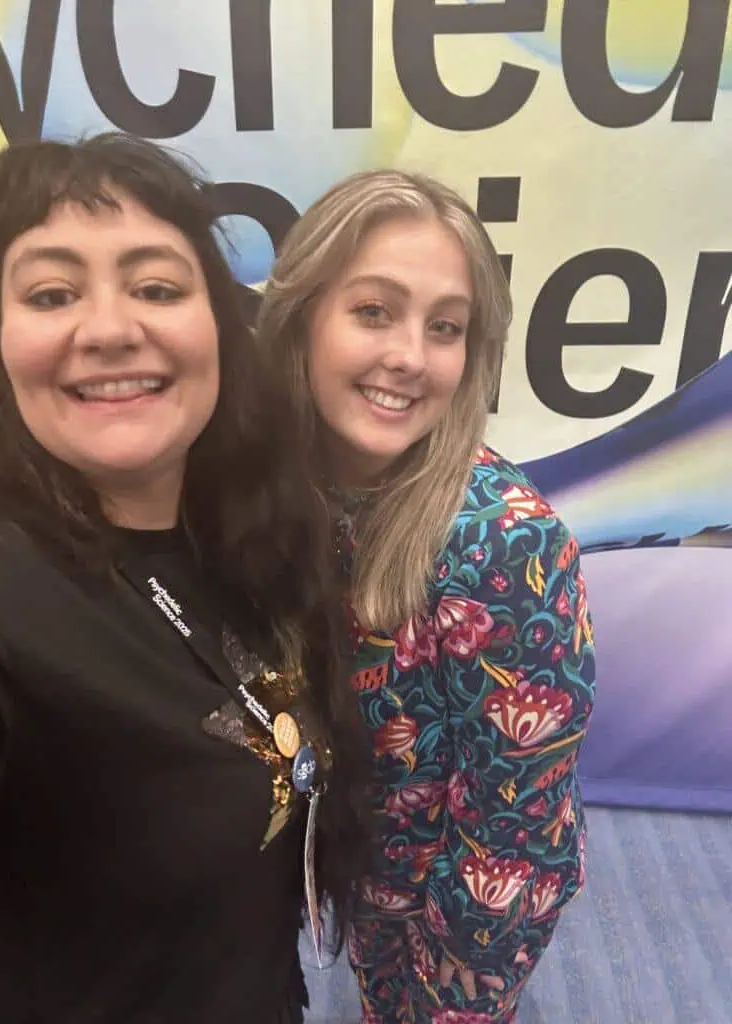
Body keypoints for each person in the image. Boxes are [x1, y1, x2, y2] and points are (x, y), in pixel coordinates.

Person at [0, 134, 370, 1023]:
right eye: (51, 294)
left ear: (219, 328)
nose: (110, 330)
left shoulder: (246, 530)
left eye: (155, 288)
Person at [256, 170, 596, 1022]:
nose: (411, 356)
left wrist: (462, 972)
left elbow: (512, 824)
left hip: (467, 904)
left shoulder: (504, 543)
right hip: (366, 868)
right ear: (302, 319)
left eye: (445, 327)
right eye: (375, 311)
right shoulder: (272, 490)